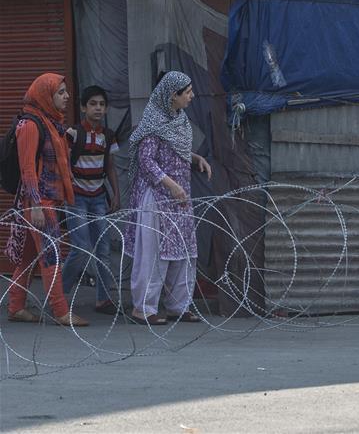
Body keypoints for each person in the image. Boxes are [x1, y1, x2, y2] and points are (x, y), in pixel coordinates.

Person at [124, 71, 211, 325]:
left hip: (179, 197)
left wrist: (195, 158)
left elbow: (177, 150)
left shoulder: (179, 120)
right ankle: (143, 308)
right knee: (154, 255)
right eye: (188, 92)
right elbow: (146, 161)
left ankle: (178, 305)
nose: (192, 96)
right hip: (158, 198)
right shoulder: (153, 123)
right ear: (173, 95)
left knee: (183, 253)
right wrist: (170, 184)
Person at [5, 74, 88, 326]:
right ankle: (61, 310)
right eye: (61, 92)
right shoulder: (30, 125)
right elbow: (27, 170)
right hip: (40, 203)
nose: (67, 97)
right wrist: (38, 204)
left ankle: (16, 306)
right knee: (52, 255)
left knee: (29, 257)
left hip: (50, 200)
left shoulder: (51, 123)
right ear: (46, 95)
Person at [61, 85, 124, 315]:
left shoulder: (108, 136)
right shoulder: (74, 134)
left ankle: (104, 299)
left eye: (101, 105)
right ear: (83, 107)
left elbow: (110, 166)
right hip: (76, 197)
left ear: (106, 109)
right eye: (93, 104)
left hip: (98, 197)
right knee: (80, 246)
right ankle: (59, 296)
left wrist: (115, 193)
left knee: (103, 247)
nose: (97, 108)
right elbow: (64, 164)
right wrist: (67, 190)